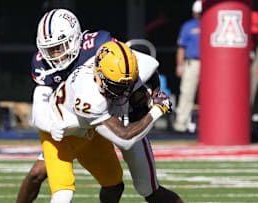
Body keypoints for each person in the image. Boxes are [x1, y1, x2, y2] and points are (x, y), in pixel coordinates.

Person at [17, 9, 183, 203]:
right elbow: (124, 138)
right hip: (71, 123)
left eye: (60, 47)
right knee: (45, 177)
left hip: (107, 120)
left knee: (140, 187)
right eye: (50, 49)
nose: (55, 55)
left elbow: (144, 65)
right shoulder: (86, 92)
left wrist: (150, 98)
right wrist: (157, 110)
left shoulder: (102, 47)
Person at [173, 0, 201, 133]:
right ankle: (181, 123)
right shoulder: (188, 26)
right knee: (187, 93)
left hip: (210, 64)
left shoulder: (211, 23)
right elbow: (181, 48)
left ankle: (208, 124)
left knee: (209, 95)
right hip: (192, 63)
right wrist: (180, 66)